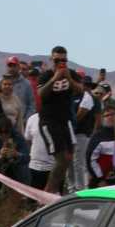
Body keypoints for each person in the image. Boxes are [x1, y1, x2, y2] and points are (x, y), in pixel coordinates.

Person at [37, 46, 83, 194]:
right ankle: (48, 192)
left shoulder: (72, 74)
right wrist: (55, 78)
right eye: (57, 60)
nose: (61, 63)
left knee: (69, 158)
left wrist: (68, 78)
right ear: (51, 59)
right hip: (49, 121)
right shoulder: (46, 75)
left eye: (64, 60)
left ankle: (56, 190)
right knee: (61, 159)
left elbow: (80, 90)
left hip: (66, 120)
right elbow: (41, 94)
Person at [24, 110, 69, 191]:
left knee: (53, 197)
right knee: (34, 196)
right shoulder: (32, 119)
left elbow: (69, 144)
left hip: (55, 169)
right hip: (35, 167)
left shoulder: (63, 119)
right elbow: (28, 140)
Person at [71, 77, 97, 192]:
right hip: (70, 134)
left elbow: (79, 116)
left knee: (79, 163)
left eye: (89, 86)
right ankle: (72, 189)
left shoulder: (88, 97)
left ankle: (80, 189)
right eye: (85, 84)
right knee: (70, 164)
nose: (86, 87)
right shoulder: (72, 96)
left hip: (81, 134)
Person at [85, 107, 115, 187]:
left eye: (113, 114)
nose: (110, 117)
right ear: (102, 118)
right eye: (107, 115)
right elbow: (91, 160)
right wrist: (100, 179)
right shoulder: (97, 136)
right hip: (102, 182)